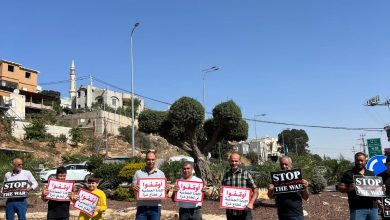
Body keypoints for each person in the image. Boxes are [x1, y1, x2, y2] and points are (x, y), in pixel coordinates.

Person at [338, 152, 382, 220]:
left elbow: (375, 190)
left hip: (373, 208)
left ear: (365, 161)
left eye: (362, 160)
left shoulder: (371, 173)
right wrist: (349, 189)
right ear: (355, 161)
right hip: (357, 209)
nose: (359, 162)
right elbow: (340, 188)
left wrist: (380, 193)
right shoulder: (348, 174)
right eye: (357, 160)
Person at [131, 150, 169, 220]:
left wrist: (167, 189)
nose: (151, 161)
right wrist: (132, 187)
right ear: (145, 160)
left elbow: (165, 191)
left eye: (153, 159)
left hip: (155, 208)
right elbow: (131, 190)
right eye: (148, 159)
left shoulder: (161, 174)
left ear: (155, 160)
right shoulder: (138, 173)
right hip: (141, 208)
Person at [222, 152, 258, 220]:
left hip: (245, 211)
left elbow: (255, 190)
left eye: (236, 161)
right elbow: (223, 190)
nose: (234, 163)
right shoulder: (226, 175)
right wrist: (222, 195)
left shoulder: (246, 174)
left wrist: (251, 203)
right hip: (230, 212)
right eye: (232, 161)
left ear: (240, 162)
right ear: (229, 161)